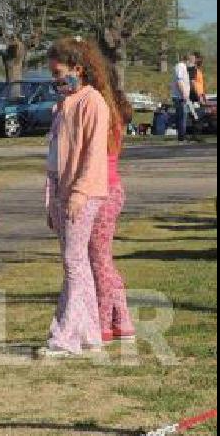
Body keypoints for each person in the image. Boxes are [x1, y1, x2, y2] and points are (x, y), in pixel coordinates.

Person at [37, 37, 112, 358]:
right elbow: (55, 157)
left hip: (83, 193)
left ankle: (66, 336)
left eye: (59, 73)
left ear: (78, 69)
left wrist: (79, 193)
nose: (55, 80)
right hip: (61, 191)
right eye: (52, 74)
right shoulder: (65, 104)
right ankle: (89, 332)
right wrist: (51, 199)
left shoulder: (92, 102)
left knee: (74, 262)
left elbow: (94, 155)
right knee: (74, 262)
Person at [87, 51, 136, 345]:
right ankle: (123, 318)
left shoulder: (104, 110)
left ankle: (105, 321)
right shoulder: (109, 108)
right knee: (102, 259)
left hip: (103, 191)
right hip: (109, 189)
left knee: (99, 259)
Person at [171, 54, 191, 142]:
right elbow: (179, 81)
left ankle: (182, 136)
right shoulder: (180, 67)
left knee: (182, 117)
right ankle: (181, 137)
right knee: (182, 117)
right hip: (180, 97)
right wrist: (184, 94)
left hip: (182, 97)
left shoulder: (183, 67)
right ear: (187, 60)